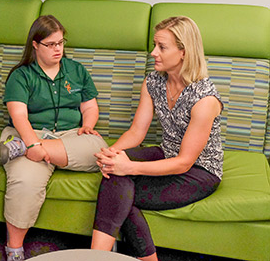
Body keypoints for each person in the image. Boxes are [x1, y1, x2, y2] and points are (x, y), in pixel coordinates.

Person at [90, 16, 223, 260]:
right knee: (115, 169)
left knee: (121, 192)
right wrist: (111, 152)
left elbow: (184, 162)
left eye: (162, 47)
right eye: (154, 45)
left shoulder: (205, 100)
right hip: (166, 152)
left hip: (199, 171)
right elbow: (136, 132)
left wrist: (129, 166)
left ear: (183, 52)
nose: (153, 53)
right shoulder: (153, 81)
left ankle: (95, 256)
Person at [0, 15, 108, 261]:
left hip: (70, 136)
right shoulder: (21, 75)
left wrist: (88, 125)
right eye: (51, 44)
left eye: (61, 42)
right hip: (29, 132)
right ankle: (14, 249)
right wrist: (33, 141)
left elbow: (89, 107)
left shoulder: (76, 70)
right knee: (25, 181)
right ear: (35, 45)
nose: (58, 49)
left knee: (100, 151)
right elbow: (19, 117)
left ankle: (20, 149)